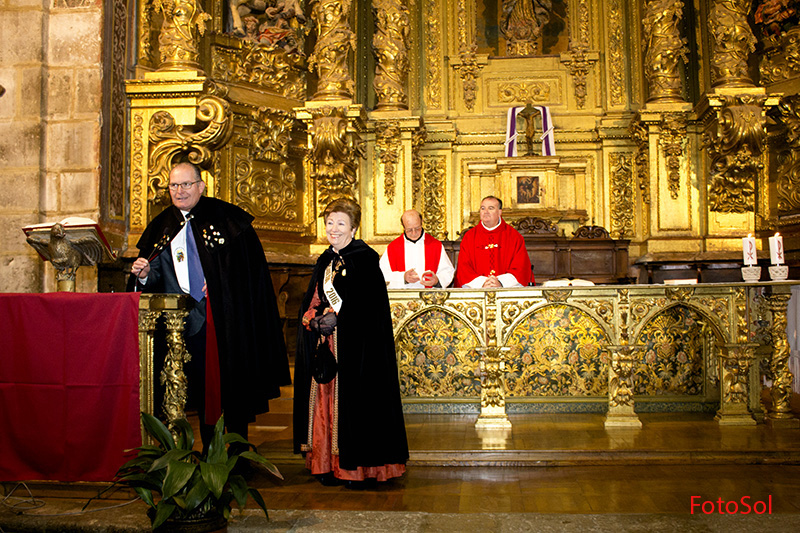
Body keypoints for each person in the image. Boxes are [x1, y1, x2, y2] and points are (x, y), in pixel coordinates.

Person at [130, 162, 290, 448]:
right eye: (174, 185)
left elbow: (245, 271)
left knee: (234, 386)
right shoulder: (161, 226)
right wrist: (143, 275)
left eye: (186, 184)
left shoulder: (227, 218)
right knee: (199, 391)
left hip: (226, 319)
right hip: (183, 325)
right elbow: (156, 276)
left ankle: (239, 450)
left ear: (201, 186)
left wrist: (221, 282)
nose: (179, 191)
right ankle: (207, 451)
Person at [294, 198, 408, 489]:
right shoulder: (325, 260)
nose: (334, 229)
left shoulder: (365, 259)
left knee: (356, 407)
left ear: (354, 228)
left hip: (358, 352)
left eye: (341, 224)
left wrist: (339, 319)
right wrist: (314, 318)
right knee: (324, 408)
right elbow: (314, 299)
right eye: (330, 223)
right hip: (327, 347)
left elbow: (370, 309)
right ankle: (325, 464)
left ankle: (357, 469)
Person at [454, 196, 533, 288]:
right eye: (483, 208)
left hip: (506, 291)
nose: (486, 212)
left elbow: (521, 268)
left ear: (499, 212)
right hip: (477, 290)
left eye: (491, 208)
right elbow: (464, 268)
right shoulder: (469, 237)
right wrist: (482, 283)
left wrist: (500, 282)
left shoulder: (514, 236)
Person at [379, 209, 455, 289]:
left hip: (429, 295)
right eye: (409, 230)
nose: (414, 233)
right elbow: (382, 273)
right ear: (403, 226)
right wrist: (403, 277)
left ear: (422, 222)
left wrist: (437, 281)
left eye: (417, 228)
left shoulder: (435, 245)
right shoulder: (393, 247)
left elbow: (448, 271)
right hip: (403, 295)